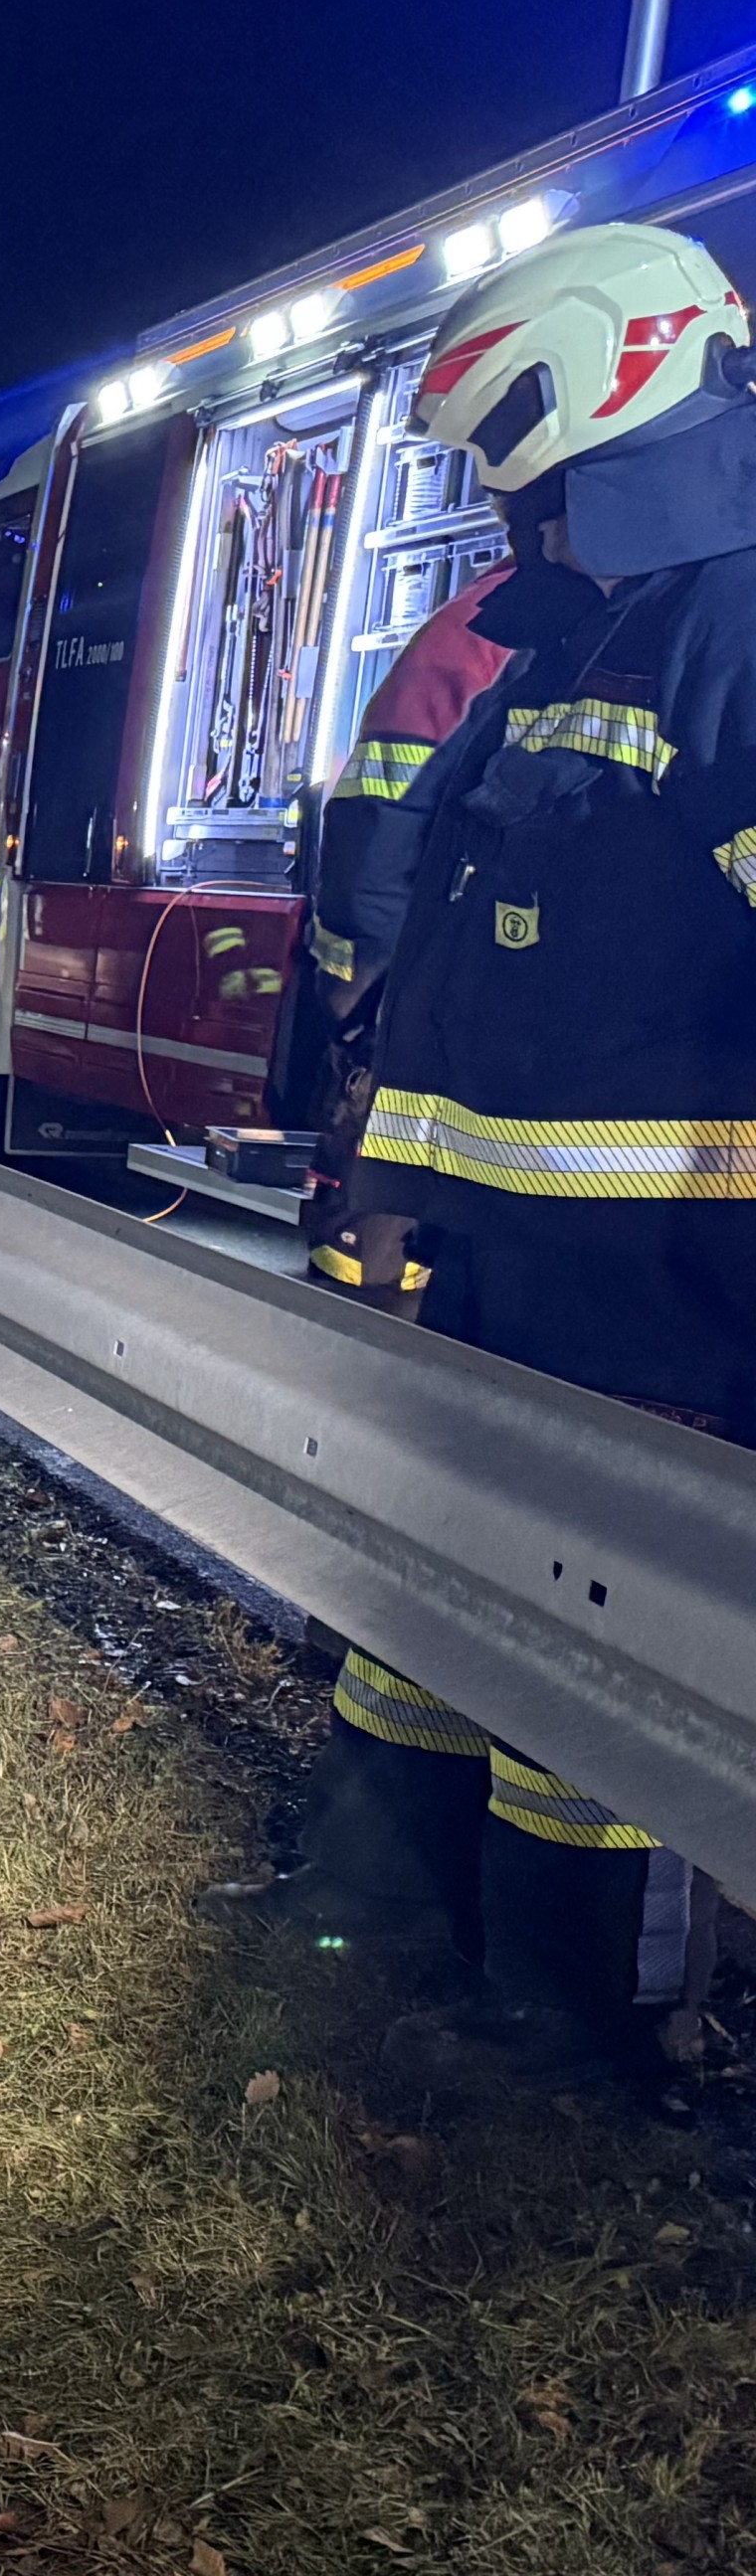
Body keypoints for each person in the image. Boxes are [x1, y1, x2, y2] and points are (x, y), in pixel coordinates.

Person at [295, 216, 756, 2063]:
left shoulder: (732, 633)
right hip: (504, 1268)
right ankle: (382, 1926)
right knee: (425, 1612)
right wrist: (395, 1188)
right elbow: (454, 960)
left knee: (601, 1674)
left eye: (541, 484)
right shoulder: (567, 646)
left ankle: (574, 2032)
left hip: (667, 1286)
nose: (519, 521)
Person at [287, 572, 512, 1297]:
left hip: (500, 996)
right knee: (379, 1231)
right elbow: (378, 822)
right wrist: (365, 983)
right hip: (429, 990)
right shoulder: (484, 630)